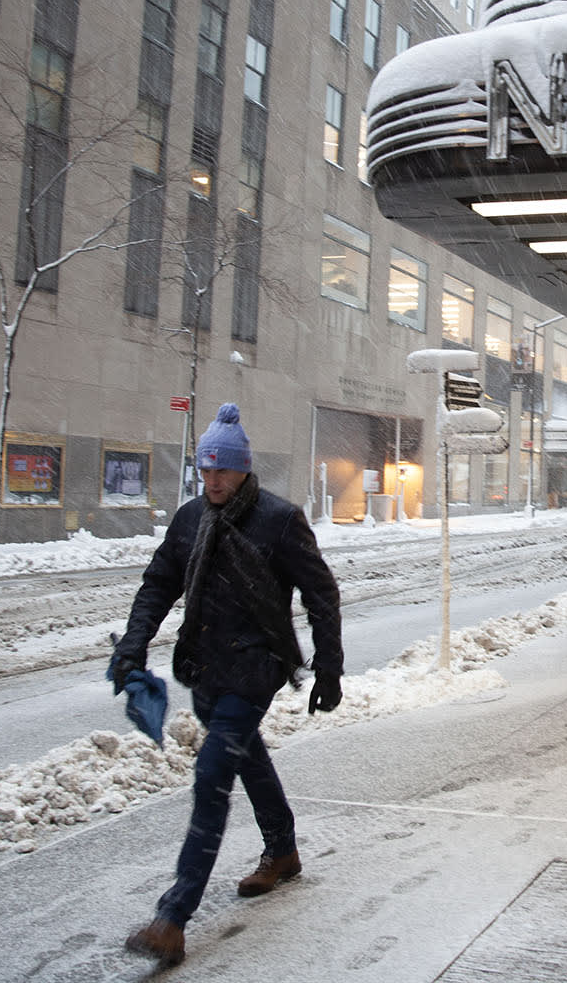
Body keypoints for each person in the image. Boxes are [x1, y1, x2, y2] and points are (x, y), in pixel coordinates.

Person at [109, 402, 344, 968]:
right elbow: (159, 584)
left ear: (243, 469)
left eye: (223, 470)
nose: (213, 480)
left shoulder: (278, 520)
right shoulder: (190, 519)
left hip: (257, 663)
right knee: (246, 758)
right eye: (205, 470)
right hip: (205, 665)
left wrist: (329, 668)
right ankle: (283, 848)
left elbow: (320, 595)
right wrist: (133, 646)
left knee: (213, 774)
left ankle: (173, 917)